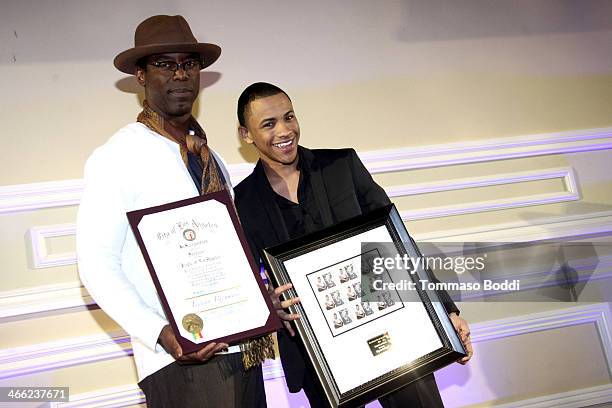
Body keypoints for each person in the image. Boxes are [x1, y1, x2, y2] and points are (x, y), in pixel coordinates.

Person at [234, 82, 473, 407]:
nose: (284, 130)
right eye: (268, 124)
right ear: (246, 135)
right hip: (316, 355)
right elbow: (249, 281)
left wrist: (446, 311)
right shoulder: (243, 201)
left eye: (289, 117)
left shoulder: (342, 166)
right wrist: (270, 303)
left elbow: (399, 242)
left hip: (394, 329)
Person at [76, 16, 269, 408]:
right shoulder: (118, 157)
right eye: (165, 65)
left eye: (189, 63)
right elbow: (95, 263)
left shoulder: (211, 158)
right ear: (141, 76)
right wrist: (162, 332)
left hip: (242, 352)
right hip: (179, 363)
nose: (181, 74)